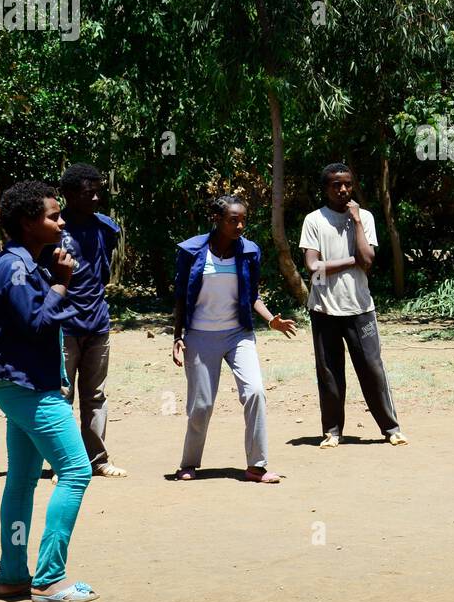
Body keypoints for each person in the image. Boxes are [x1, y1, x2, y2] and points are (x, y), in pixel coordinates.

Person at [0, 181, 98, 602]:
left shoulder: (9, 263)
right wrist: (61, 282)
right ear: (27, 222)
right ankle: (50, 577)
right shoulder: (16, 267)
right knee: (76, 472)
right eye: (53, 216)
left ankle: (14, 574)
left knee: (20, 482)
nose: (60, 222)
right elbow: (37, 323)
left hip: (13, 384)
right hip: (28, 389)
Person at [172, 194, 296, 483]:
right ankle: (189, 463)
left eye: (243, 220)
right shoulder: (191, 251)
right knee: (201, 404)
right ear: (216, 219)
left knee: (255, 392)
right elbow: (180, 297)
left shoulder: (250, 251)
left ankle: (257, 466)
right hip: (200, 336)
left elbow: (251, 296)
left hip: (238, 334)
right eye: (233, 220)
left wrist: (271, 320)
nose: (240, 226)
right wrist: (177, 336)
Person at [298, 163, 407, 449]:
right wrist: (351, 261)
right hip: (323, 308)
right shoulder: (314, 220)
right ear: (325, 188)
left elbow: (368, 261)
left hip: (360, 308)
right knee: (330, 372)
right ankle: (332, 431)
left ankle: (391, 428)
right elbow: (313, 267)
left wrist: (356, 221)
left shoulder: (365, 218)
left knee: (372, 368)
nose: (343, 189)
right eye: (336, 184)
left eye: (347, 183)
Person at [55, 163, 125, 478]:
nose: (96, 198)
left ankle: (97, 460)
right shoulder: (54, 230)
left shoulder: (107, 228)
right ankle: (63, 463)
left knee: (95, 395)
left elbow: (102, 271)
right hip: (63, 327)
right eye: (88, 192)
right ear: (69, 194)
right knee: (61, 396)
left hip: (97, 324)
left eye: (98, 191)